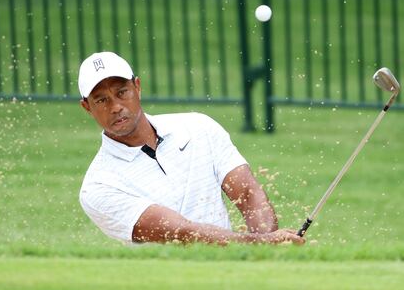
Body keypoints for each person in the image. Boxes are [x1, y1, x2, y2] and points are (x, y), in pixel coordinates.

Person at [78, 51, 305, 246]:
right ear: (87, 107)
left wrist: (266, 252)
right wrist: (262, 244)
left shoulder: (198, 127)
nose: (116, 107)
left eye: (121, 93)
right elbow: (180, 233)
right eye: (101, 100)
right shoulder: (98, 186)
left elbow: (247, 194)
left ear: (137, 87)